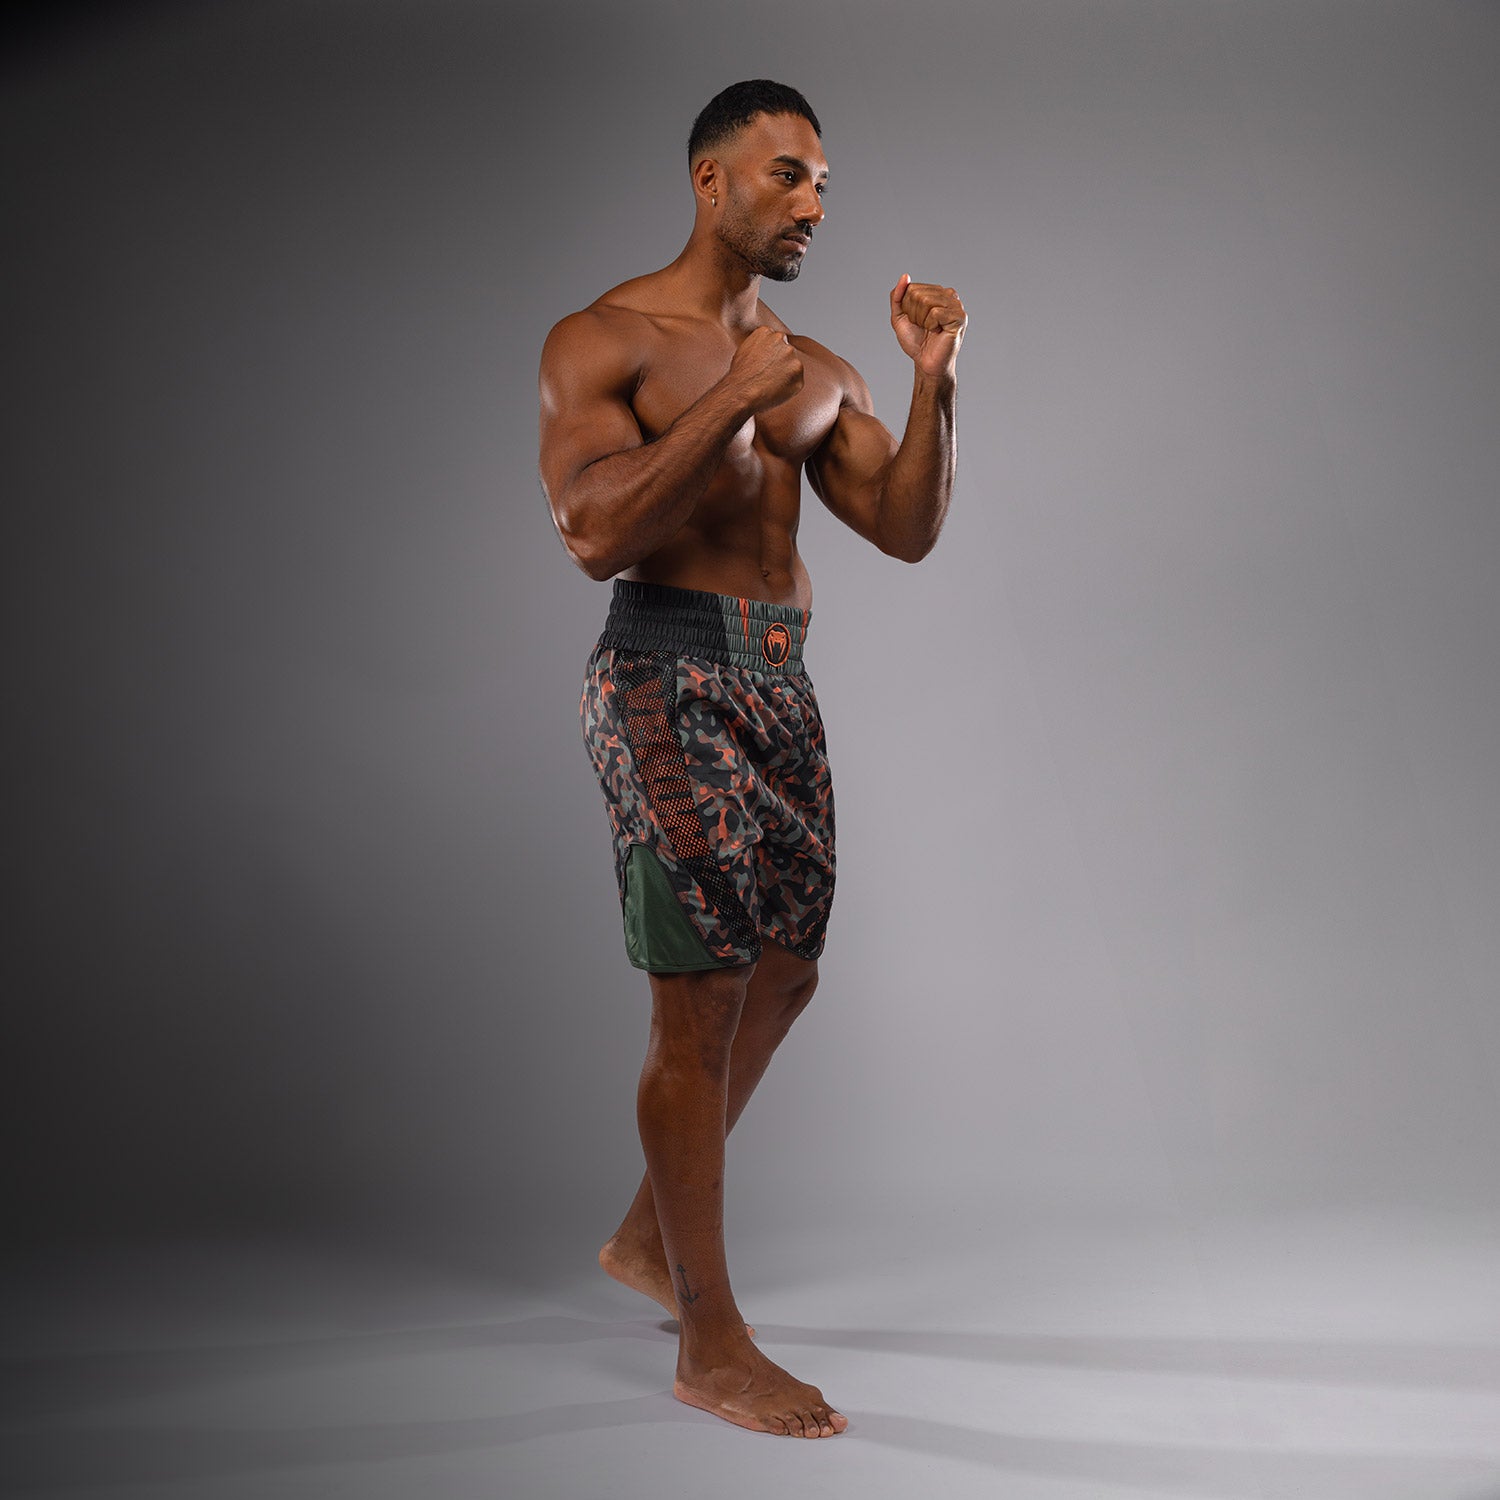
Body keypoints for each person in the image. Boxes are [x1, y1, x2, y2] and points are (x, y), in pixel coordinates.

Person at [537, 79, 965, 1438]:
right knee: (704, 993)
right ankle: (710, 1344)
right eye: (788, 175)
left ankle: (645, 1236)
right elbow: (592, 531)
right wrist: (730, 395)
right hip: (662, 672)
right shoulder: (604, 338)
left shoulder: (817, 366)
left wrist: (932, 382)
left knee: (787, 969)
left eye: (825, 183)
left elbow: (904, 529)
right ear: (710, 179)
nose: (814, 205)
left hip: (781, 680)